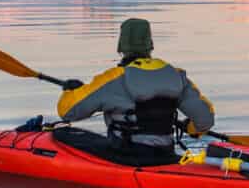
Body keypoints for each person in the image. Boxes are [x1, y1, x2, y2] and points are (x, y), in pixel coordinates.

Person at [57, 18, 214, 158]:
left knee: (61, 134)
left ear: (121, 46)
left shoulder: (114, 78)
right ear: (150, 44)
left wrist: (70, 91)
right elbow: (205, 121)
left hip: (126, 156)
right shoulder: (176, 75)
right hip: (166, 153)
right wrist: (190, 128)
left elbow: (68, 112)